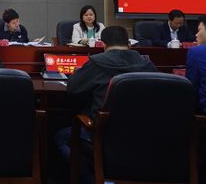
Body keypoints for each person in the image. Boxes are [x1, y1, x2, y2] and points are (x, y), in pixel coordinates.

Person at [55, 26, 157, 180]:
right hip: (144, 133)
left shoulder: (97, 62)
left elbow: (73, 89)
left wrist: (77, 74)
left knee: (61, 136)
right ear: (129, 44)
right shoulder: (147, 63)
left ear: (103, 45)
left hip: (103, 132)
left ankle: (91, 178)